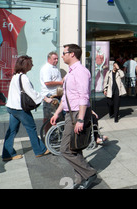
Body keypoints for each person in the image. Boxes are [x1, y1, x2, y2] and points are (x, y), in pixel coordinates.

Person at [50, 44, 97, 189]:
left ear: (72, 54)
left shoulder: (81, 72)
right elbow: (66, 97)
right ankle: (79, 179)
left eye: (64, 53)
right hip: (70, 113)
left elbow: (84, 97)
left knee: (65, 149)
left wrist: (81, 119)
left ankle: (89, 173)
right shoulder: (71, 73)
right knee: (75, 148)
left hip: (77, 114)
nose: (62, 56)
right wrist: (57, 113)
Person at [2, 55, 52, 161]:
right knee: (31, 128)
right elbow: (32, 93)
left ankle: (7, 154)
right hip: (20, 109)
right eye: (31, 64)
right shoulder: (23, 78)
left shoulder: (15, 76)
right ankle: (40, 150)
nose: (32, 65)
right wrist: (44, 98)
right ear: (26, 65)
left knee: (12, 131)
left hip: (12, 107)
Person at [40, 51, 63, 134]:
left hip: (56, 96)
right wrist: (60, 83)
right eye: (54, 59)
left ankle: (54, 135)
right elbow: (47, 83)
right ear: (49, 59)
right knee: (49, 118)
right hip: (50, 96)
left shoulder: (55, 68)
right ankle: (48, 136)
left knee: (57, 117)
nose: (56, 60)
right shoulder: (47, 68)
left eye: (57, 59)